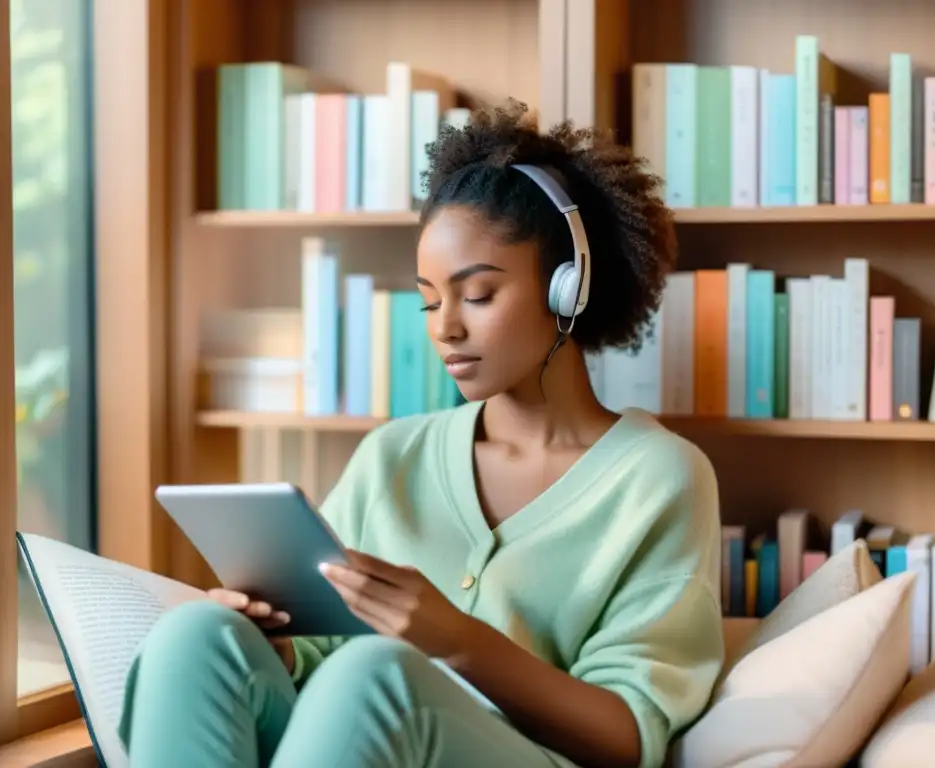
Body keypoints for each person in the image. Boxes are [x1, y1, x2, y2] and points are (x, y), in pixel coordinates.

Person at [118, 100, 724, 768]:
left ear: (567, 289)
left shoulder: (659, 478)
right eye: (430, 300)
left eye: (479, 294)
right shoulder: (393, 455)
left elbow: (628, 737)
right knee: (197, 634)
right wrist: (276, 640)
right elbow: (321, 649)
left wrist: (456, 640)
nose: (445, 328)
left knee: (376, 675)